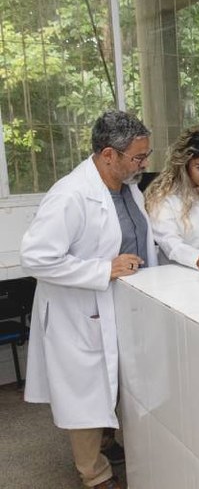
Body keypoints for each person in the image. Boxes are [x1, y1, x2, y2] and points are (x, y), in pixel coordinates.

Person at [21, 110, 158, 489]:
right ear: (108, 154)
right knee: (85, 394)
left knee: (114, 383)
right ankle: (93, 474)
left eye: (146, 156)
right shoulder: (70, 195)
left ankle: (109, 440)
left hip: (119, 304)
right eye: (138, 157)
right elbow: (35, 258)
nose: (144, 165)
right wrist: (103, 269)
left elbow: (144, 235)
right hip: (78, 313)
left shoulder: (127, 187)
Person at [144, 125, 199, 271]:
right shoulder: (163, 196)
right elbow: (170, 243)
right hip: (181, 275)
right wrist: (198, 260)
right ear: (184, 164)